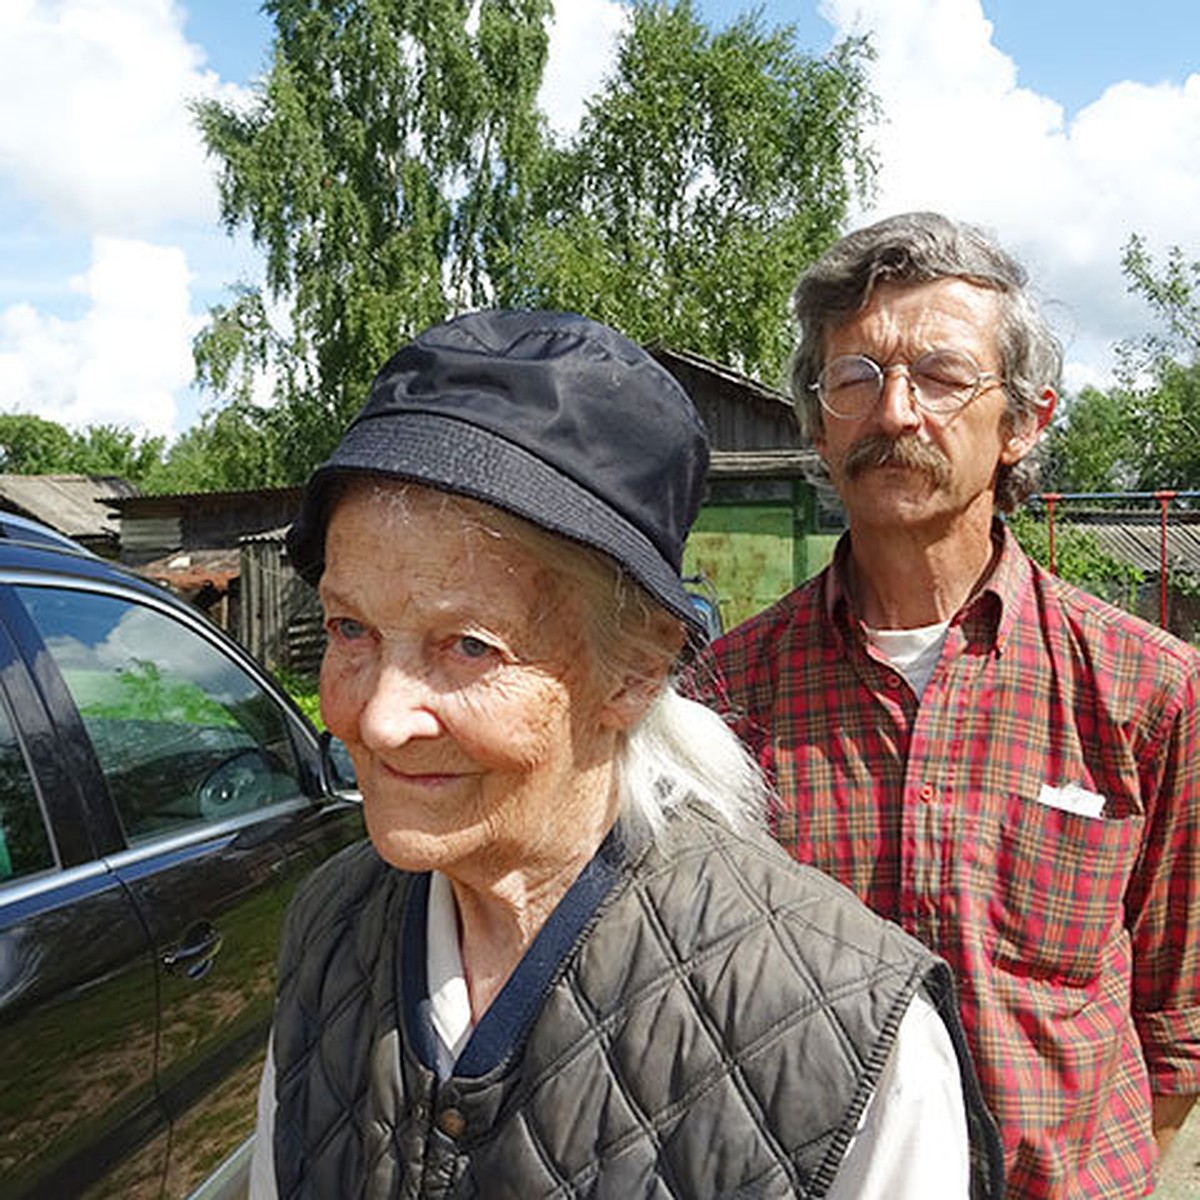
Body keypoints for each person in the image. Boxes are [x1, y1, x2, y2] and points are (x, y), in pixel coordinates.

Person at [247, 309, 1002, 1198]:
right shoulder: (333, 927)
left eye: (468, 646)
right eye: (351, 629)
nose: (377, 719)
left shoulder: (846, 1032)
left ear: (636, 671)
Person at [695, 211, 1200, 1198]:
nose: (894, 411)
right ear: (816, 421)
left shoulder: (1149, 694)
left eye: (941, 375)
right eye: (855, 377)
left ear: (1023, 421)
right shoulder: (723, 702)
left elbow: (1177, 1025)